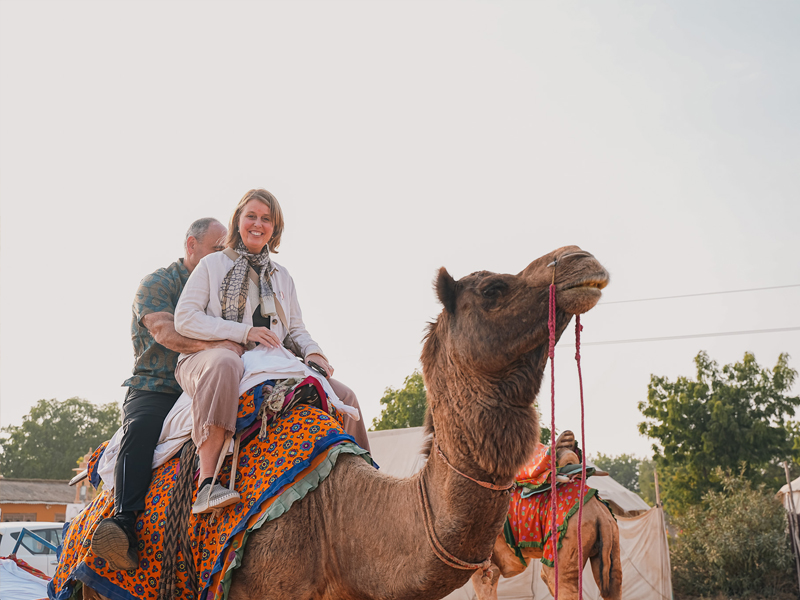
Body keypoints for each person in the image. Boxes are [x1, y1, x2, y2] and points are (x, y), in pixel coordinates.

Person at [174, 188, 369, 515]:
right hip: (209, 358)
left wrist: (314, 353)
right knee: (225, 362)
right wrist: (243, 332)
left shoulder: (281, 276)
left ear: (275, 229)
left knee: (345, 396)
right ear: (238, 220)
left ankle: (365, 487)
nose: (257, 224)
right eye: (251, 216)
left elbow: (294, 329)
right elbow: (185, 318)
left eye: (266, 219)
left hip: (269, 360)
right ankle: (207, 483)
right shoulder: (212, 265)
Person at [91, 217, 233, 571]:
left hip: (209, 377)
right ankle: (124, 523)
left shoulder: (225, 287)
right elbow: (165, 332)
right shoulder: (157, 284)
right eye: (217, 249)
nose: (223, 257)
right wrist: (224, 343)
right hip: (158, 385)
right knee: (139, 430)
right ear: (191, 246)